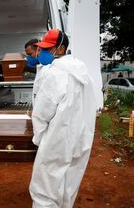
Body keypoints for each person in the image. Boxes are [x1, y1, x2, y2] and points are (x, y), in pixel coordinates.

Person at [29, 29, 97, 208]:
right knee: (69, 184)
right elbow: (94, 105)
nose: (42, 53)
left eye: (47, 49)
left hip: (57, 139)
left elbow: (42, 113)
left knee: (45, 188)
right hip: (81, 138)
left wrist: (39, 139)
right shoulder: (85, 74)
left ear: (60, 49)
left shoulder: (54, 73)